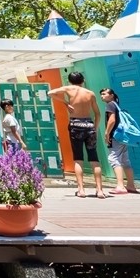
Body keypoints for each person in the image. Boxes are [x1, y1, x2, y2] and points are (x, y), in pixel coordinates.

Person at [49, 71, 106, 199]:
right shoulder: (90, 93)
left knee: (78, 158)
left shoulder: (69, 88)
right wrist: (95, 127)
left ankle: (81, 189)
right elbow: (97, 113)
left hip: (76, 124)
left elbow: (50, 93)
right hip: (89, 125)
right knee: (94, 159)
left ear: (69, 81)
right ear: (83, 80)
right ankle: (100, 190)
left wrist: (65, 103)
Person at [100, 88, 138, 194]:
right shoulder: (116, 104)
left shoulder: (110, 105)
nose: (102, 96)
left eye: (104, 94)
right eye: (101, 94)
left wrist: (107, 133)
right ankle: (131, 185)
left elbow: (112, 120)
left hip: (115, 136)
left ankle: (120, 186)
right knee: (125, 161)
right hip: (122, 137)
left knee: (113, 158)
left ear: (111, 95)